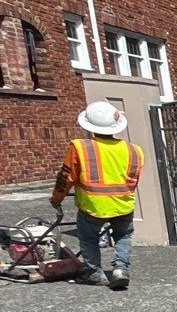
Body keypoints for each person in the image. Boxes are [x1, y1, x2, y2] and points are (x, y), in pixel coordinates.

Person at [50, 101, 145, 291]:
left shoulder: (80, 147)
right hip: (123, 204)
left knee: (88, 239)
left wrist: (56, 199)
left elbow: (66, 177)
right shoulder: (135, 150)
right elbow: (133, 181)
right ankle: (120, 269)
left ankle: (94, 273)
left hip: (92, 206)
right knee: (123, 236)